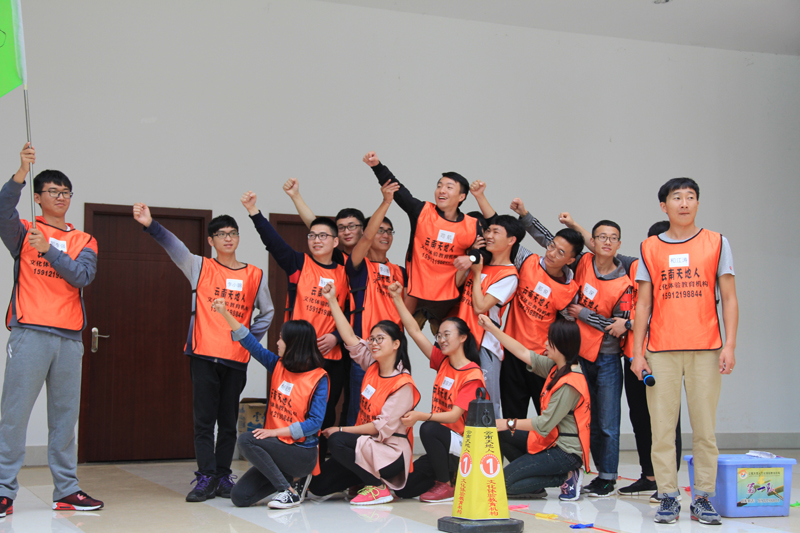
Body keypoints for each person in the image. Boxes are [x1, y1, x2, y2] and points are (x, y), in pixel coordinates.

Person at [132, 203, 274, 502]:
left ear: (238, 237)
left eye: (232, 233)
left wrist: (247, 340)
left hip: (236, 359)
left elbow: (268, 312)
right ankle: (206, 477)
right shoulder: (200, 266)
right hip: (203, 355)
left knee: (228, 422)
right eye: (221, 234)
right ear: (211, 240)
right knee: (204, 422)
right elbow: (175, 246)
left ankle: (223, 476)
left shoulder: (255, 274)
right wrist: (150, 224)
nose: (228, 238)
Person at [0, 143, 103, 516]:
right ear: (38, 197)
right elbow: (2, 209)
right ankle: (3, 491)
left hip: (69, 339)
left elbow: (82, 275)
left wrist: (49, 250)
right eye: (53, 191)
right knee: (14, 416)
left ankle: (67, 490)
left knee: (64, 419)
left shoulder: (84, 240)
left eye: (66, 193)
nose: (61, 197)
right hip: (29, 334)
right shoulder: (24, 231)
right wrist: (21, 172)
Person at [632, 178, 738, 525]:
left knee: (705, 429)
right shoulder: (650, 247)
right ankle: (667, 496)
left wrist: (729, 345)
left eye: (691, 197)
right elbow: (643, 304)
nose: (684, 203)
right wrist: (637, 353)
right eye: (677, 197)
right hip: (661, 350)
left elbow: (729, 298)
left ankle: (703, 497)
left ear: (697, 203)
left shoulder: (717, 242)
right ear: (664, 206)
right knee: (662, 429)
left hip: (706, 348)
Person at [513, 198, 632, 498]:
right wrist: (525, 215)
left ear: (619, 245)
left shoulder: (624, 282)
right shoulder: (582, 262)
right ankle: (572, 468)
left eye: (613, 238)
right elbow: (551, 241)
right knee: (576, 417)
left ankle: (606, 477)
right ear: (593, 241)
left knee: (606, 421)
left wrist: (584, 314)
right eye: (601, 237)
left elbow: (618, 325)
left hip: (606, 357)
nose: (606, 242)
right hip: (576, 355)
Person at [560, 216, 683, 502]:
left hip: (657, 355)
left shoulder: (664, 276)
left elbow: (656, 316)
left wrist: (624, 323)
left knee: (662, 419)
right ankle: (649, 477)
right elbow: (599, 244)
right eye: (653, 244)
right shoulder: (636, 267)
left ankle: (666, 483)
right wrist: (574, 225)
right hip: (632, 357)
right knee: (638, 417)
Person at [241, 190, 349, 459]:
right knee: (290, 408)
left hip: (330, 355)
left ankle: (316, 466)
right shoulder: (299, 263)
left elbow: (351, 313)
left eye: (323, 236)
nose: (316, 240)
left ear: (336, 241)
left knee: (325, 414)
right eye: (312, 236)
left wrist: (336, 336)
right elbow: (274, 243)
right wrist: (254, 212)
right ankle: (289, 462)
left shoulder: (347, 271)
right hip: (297, 354)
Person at [469, 181, 583, 422]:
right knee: (512, 417)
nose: (552, 253)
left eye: (561, 253)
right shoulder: (527, 261)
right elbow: (503, 231)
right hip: (512, 352)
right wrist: (480, 196)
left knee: (546, 417)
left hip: (542, 359)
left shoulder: (570, 290)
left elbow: (567, 330)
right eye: (552, 246)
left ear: (571, 261)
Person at [308, 284, 420, 505]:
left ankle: (378, 487)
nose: (374, 343)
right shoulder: (372, 366)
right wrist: (332, 300)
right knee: (318, 487)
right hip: (366, 445)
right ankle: (365, 479)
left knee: (337, 440)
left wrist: (341, 429)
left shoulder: (403, 384)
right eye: (372, 339)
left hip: (390, 453)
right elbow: (349, 336)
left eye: (380, 339)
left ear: (396, 344)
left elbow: (379, 428)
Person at [212, 298, 328, 509]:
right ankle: (288, 482)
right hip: (276, 450)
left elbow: (314, 423)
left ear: (294, 344)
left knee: (246, 440)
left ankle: (288, 490)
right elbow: (250, 343)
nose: (277, 342)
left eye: (282, 338)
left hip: (301, 454)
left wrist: (275, 432)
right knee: (240, 497)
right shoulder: (278, 365)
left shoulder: (319, 378)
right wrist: (225, 313)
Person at [387, 282, 486, 504]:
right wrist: (397, 298)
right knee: (404, 489)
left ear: (463, 337)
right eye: (439, 335)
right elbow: (414, 331)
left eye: (446, 334)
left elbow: (454, 416)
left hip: (463, 443)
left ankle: (446, 484)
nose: (441, 339)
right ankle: (453, 476)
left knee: (429, 427)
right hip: (442, 443)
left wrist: (420, 416)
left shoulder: (472, 375)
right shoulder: (443, 361)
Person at [363, 151, 479, 334]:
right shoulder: (422, 211)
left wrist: (471, 258)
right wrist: (377, 166)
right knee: (396, 332)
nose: (442, 190)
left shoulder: (472, 225)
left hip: (448, 297)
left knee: (453, 339)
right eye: (439, 186)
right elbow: (399, 190)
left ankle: (433, 319)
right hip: (416, 291)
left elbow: (486, 249)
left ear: (461, 197)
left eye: (449, 187)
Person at [479, 316, 590, 501]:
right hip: (549, 442)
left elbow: (544, 424)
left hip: (565, 452)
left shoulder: (570, 383)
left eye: (550, 340)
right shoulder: (556, 367)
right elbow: (522, 352)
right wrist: (492, 329)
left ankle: (566, 476)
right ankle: (532, 481)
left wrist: (508, 423)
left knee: (502, 484)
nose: (545, 343)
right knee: (502, 434)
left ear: (562, 345)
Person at [451, 208, 522, 418]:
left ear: (511, 240)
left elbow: (480, 307)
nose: (489, 235)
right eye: (488, 231)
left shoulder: (509, 275)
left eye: (496, 232)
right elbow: (457, 283)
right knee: (459, 399)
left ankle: (493, 441)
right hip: (463, 339)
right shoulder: (481, 263)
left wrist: (477, 273)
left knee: (486, 404)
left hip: (485, 344)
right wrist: (471, 256)